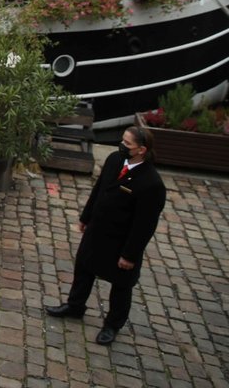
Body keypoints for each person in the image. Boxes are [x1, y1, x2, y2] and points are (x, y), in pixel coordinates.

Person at [45, 126, 167, 346]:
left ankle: (113, 324)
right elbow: (99, 190)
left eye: (127, 144)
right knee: (83, 269)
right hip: (98, 231)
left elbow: (145, 225)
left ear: (141, 149)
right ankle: (75, 306)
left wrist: (129, 255)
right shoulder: (114, 160)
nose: (122, 146)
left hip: (121, 241)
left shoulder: (151, 184)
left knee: (121, 285)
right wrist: (85, 217)